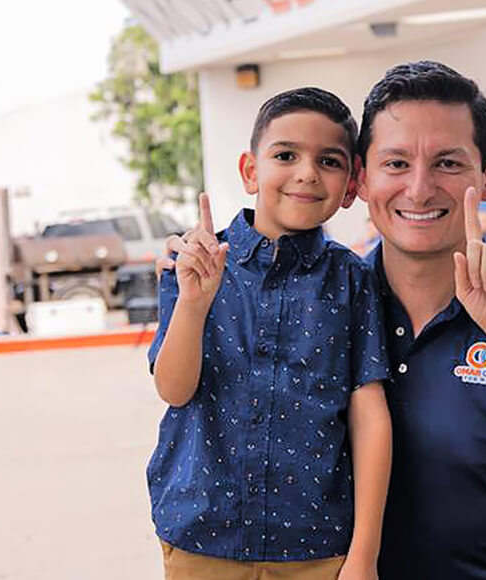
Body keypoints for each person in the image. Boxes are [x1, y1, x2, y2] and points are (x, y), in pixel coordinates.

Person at [163, 61, 486, 579]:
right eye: (396, 163)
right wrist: (194, 287)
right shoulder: (319, 305)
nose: (420, 188)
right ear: (362, 180)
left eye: (448, 163)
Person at [148, 88, 392, 579]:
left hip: (316, 546)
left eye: (328, 161)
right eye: (285, 155)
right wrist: (194, 303)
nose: (307, 173)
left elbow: (369, 416)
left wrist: (364, 555)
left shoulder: (354, 280)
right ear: (250, 170)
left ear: (350, 187)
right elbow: (173, 389)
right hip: (202, 536)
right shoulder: (194, 264)